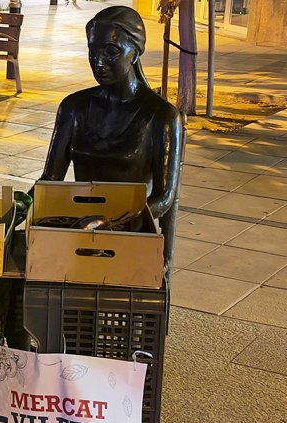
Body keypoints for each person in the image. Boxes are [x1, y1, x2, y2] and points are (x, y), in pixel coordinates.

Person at [39, 5, 183, 273]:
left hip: (131, 233)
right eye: (93, 51)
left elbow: (164, 198)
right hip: (79, 227)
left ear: (135, 52)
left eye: (111, 51)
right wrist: (17, 213)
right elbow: (50, 179)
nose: (99, 61)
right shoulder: (74, 107)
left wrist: (110, 223)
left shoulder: (161, 116)